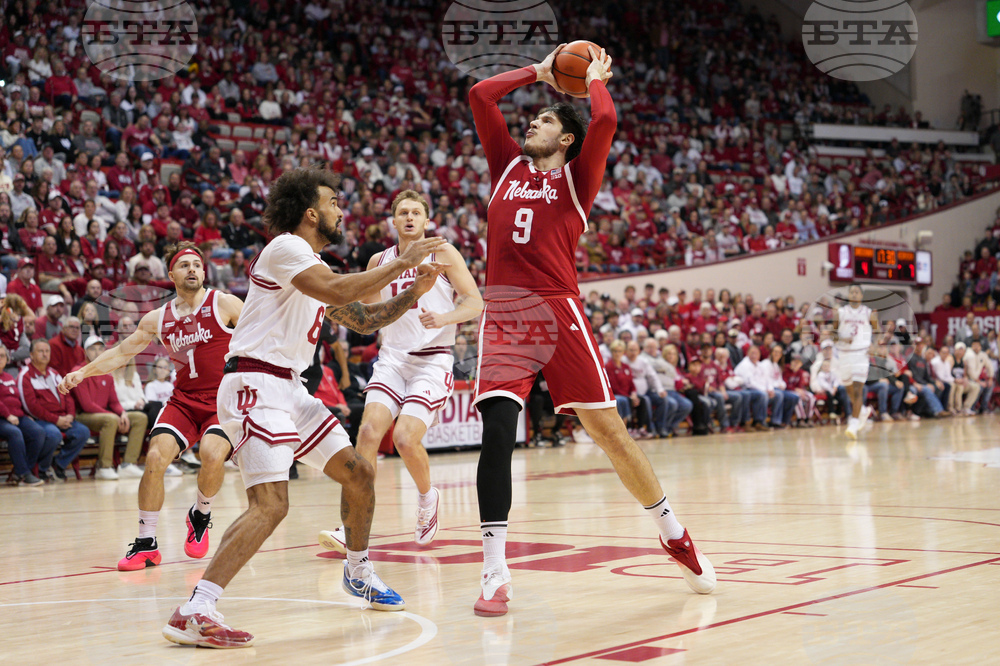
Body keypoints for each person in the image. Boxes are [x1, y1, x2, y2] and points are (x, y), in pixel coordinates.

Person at [467, 45, 715, 618]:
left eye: (546, 118)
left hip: (558, 310)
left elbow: (604, 119)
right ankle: (494, 570)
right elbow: (481, 95)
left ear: (566, 141)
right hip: (506, 312)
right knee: (499, 431)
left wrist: (595, 78)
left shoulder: (579, 180)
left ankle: (672, 532)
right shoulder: (505, 164)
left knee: (609, 433)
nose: (532, 120)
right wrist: (539, 70)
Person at [160, 167, 447, 648]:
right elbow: (339, 291)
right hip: (255, 382)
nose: (341, 208)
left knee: (359, 472)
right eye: (334, 202)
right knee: (271, 505)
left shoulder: (309, 264)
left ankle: (358, 572)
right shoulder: (286, 248)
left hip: (287, 388)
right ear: (311, 212)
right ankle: (196, 607)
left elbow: (363, 318)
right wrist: (403, 264)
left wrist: (414, 294)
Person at [59, 242, 243, 570]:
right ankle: (147, 543)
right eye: (184, 265)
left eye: (197, 265)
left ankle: (199, 515)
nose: (192, 270)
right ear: (171, 274)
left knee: (212, 454)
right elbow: (120, 353)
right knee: (155, 457)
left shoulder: (225, 303)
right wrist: (82, 372)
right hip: (184, 400)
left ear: (204, 272)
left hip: (222, 400)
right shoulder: (158, 318)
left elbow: (260, 334)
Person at [318, 189, 483, 552]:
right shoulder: (380, 260)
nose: (409, 218)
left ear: (426, 221)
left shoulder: (443, 251)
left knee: (405, 438)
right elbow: (370, 311)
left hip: (433, 357)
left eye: (416, 213)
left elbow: (475, 302)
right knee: (367, 434)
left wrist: (443, 317)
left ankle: (427, 498)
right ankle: (352, 525)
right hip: (391, 358)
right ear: (393, 221)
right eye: (403, 212)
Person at [68, 336, 148, 479]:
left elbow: (114, 402)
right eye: (93, 349)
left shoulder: (107, 372)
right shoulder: (78, 371)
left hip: (104, 414)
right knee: (110, 420)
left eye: (100, 348)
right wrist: (115, 416)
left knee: (140, 418)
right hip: (83, 416)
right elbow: (87, 405)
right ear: (86, 352)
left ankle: (128, 464)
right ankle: (104, 467)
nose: (97, 352)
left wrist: (122, 413)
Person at [18, 339, 90, 481]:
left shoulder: (54, 373)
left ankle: (58, 464)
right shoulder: (25, 375)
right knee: (53, 434)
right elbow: (31, 406)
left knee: (82, 432)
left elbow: (68, 395)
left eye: (47, 351)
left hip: (63, 417)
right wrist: (56, 420)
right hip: (40, 420)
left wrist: (70, 414)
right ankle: (42, 469)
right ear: (31, 355)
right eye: (41, 351)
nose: (45, 354)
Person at [0, 345, 58, 485]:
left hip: (16, 416)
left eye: (2, 356)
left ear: (7, 359)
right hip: (3, 418)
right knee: (15, 433)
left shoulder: (8, 376)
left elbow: (17, 399)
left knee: (37, 432)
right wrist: (8, 415)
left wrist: (26, 415)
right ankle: (23, 474)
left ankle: (25, 470)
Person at [833, 285, 878, 438]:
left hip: (861, 353)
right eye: (851, 292)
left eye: (856, 292)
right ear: (848, 295)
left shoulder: (869, 312)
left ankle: (853, 423)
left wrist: (874, 346)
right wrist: (843, 338)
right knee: (849, 390)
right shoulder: (840, 312)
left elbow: (878, 332)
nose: (853, 294)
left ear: (861, 295)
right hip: (844, 354)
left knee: (858, 389)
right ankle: (863, 411)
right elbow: (832, 335)